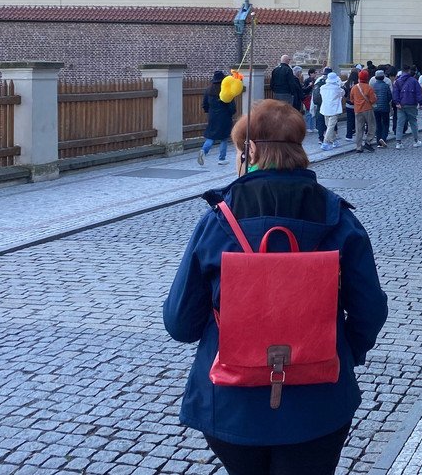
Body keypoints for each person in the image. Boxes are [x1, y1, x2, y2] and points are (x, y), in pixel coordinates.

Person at [164, 100, 388, 475]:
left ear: (249, 151)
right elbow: (370, 310)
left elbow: (180, 323)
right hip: (319, 402)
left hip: (230, 404)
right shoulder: (340, 219)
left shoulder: (218, 222)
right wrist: (344, 350)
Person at [199, 70, 237, 166]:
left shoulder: (208, 90)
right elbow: (231, 106)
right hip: (224, 117)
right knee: (224, 138)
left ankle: (204, 150)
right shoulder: (226, 91)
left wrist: (209, 112)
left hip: (213, 116)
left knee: (211, 136)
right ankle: (222, 158)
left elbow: (205, 104)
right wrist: (232, 113)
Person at [391, 65, 422, 149]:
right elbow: (418, 93)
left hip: (401, 105)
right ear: (409, 71)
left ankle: (398, 142)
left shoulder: (397, 81)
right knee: (413, 122)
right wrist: (421, 103)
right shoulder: (413, 81)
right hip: (411, 104)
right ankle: (416, 141)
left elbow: (395, 93)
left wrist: (397, 102)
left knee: (400, 123)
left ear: (402, 71)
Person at [349, 69, 377, 153]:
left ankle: (358, 146)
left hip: (357, 109)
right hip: (367, 109)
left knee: (359, 128)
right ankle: (368, 141)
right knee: (372, 126)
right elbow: (373, 100)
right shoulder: (369, 88)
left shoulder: (354, 88)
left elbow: (351, 100)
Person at [319, 71, 344, 150]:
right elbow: (342, 93)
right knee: (330, 126)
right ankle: (325, 142)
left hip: (325, 109)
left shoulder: (322, 87)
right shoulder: (337, 88)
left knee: (329, 126)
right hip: (334, 109)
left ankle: (334, 140)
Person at [370, 69, 392, 148]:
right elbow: (389, 96)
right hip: (385, 107)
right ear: (383, 77)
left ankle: (378, 140)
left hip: (375, 107)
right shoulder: (386, 86)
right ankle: (383, 138)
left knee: (378, 123)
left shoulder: (372, 86)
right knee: (385, 124)